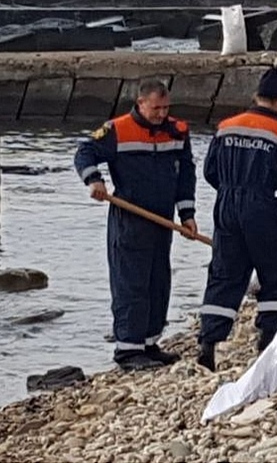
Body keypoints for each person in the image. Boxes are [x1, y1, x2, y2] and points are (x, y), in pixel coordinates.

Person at [74, 79, 198, 371]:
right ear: (141, 103)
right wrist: (94, 180)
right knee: (131, 282)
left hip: (162, 218)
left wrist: (187, 214)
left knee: (158, 280)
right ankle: (128, 350)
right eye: (156, 108)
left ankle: (149, 343)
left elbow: (186, 174)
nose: (161, 114)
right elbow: (84, 152)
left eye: (166, 108)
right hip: (130, 218)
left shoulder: (177, 131)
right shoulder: (117, 130)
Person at [197, 68, 277, 372]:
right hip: (260, 206)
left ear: (256, 95)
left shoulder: (226, 127)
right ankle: (267, 337)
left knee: (224, 272)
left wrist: (230, 192)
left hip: (227, 204)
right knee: (275, 271)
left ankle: (209, 341)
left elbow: (209, 172)